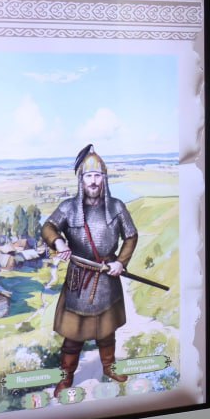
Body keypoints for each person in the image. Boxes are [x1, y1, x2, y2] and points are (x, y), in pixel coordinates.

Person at [41, 144, 138, 398]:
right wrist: (59, 242)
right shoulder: (69, 208)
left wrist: (121, 262)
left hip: (107, 277)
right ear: (81, 179)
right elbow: (48, 227)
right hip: (79, 279)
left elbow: (131, 236)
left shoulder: (116, 207)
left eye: (97, 176)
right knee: (73, 336)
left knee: (107, 331)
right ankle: (66, 378)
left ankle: (109, 368)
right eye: (89, 176)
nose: (93, 181)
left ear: (104, 179)